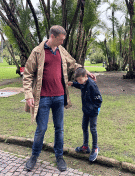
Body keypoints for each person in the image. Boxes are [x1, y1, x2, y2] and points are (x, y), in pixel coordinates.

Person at [23, 25, 96, 172]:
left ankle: (59, 157)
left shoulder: (61, 50)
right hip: (42, 98)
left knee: (59, 129)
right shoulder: (37, 51)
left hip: (59, 97)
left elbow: (73, 64)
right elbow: (27, 74)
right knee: (41, 129)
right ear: (52, 37)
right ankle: (34, 157)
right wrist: (28, 95)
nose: (63, 42)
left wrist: (85, 70)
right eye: (61, 39)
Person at [68, 67, 102, 162]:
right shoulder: (83, 83)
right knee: (84, 127)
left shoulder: (92, 85)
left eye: (80, 80)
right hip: (86, 111)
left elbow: (99, 100)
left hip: (92, 112)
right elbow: (81, 86)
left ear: (86, 76)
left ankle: (95, 148)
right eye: (77, 80)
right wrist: (73, 84)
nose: (79, 82)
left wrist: (94, 109)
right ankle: (85, 146)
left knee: (92, 129)